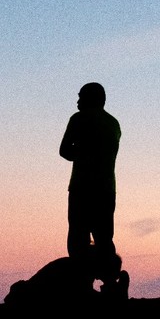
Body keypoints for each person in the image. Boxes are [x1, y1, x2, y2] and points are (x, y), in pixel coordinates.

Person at [59, 82, 122, 280]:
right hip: (106, 188)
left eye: (80, 97)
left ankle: (81, 286)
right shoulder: (114, 123)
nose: (77, 101)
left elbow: (64, 151)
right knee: (104, 239)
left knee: (78, 238)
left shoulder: (78, 119)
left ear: (89, 98)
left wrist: (82, 151)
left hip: (82, 187)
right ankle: (111, 284)